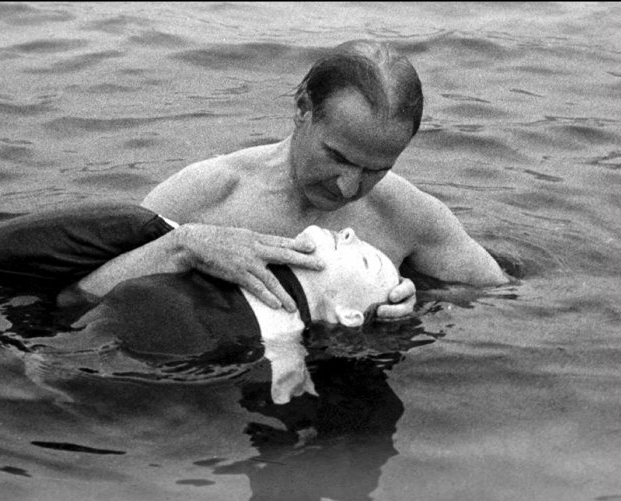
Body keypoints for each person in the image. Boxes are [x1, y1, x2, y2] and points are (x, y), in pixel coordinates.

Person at [86, 39, 509, 320]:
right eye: (336, 156)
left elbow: (503, 300)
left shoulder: (410, 215)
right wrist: (183, 246)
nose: (348, 187)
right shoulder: (208, 193)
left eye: (376, 170)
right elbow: (79, 296)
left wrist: (423, 308)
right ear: (303, 109)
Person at [0, 203, 402, 404]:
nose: (351, 233)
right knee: (136, 223)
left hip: (82, 337)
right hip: (81, 317)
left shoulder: (278, 328)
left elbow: (287, 361)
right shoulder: (224, 239)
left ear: (348, 314)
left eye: (365, 257)